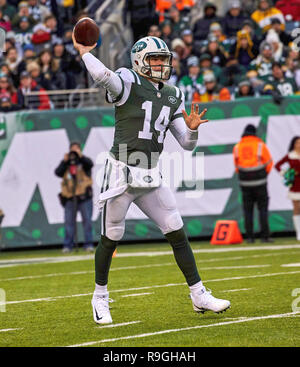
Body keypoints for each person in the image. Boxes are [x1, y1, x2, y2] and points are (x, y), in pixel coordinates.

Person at [72, 33, 231, 324]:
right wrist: (84, 52)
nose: (161, 64)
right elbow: (102, 75)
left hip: (150, 172)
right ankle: (100, 297)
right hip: (121, 170)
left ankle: (198, 294)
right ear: (138, 61)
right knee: (111, 238)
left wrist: (193, 129)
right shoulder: (127, 81)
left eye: (163, 59)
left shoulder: (173, 94)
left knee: (176, 229)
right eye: (155, 59)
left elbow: (186, 143)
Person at [233, 124, 273, 243]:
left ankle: (250, 237)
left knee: (247, 211)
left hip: (245, 184)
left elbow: (236, 167)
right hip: (260, 183)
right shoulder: (260, 145)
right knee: (263, 209)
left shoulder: (237, 147)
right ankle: (264, 237)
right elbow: (269, 163)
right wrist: (262, 175)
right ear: (254, 133)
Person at [55, 141, 94, 253]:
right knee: (69, 223)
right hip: (70, 198)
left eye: (76, 149)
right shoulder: (67, 163)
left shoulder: (84, 162)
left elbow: (90, 164)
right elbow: (57, 172)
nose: (74, 152)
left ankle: (89, 244)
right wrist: (64, 161)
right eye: (72, 149)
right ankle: (68, 245)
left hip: (84, 197)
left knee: (87, 222)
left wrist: (80, 156)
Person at [275, 136, 300, 241]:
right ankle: (299, 232)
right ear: (294, 144)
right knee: (296, 208)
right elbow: (277, 165)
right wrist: (286, 174)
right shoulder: (290, 156)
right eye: (297, 143)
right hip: (295, 185)